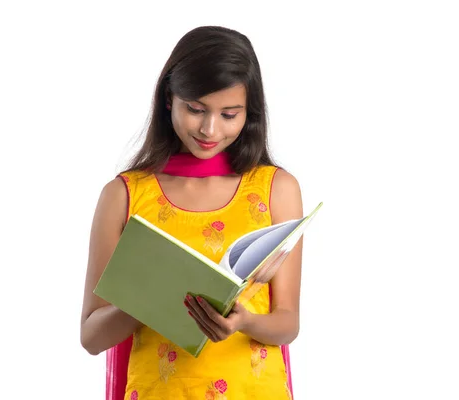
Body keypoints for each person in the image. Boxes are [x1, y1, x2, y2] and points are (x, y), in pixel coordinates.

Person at [80, 26, 304, 400]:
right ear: (170, 99)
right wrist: (149, 301)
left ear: (249, 113)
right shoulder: (124, 195)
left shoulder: (275, 189)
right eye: (196, 110)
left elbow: (288, 323)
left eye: (229, 114)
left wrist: (244, 322)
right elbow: (91, 337)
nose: (209, 129)